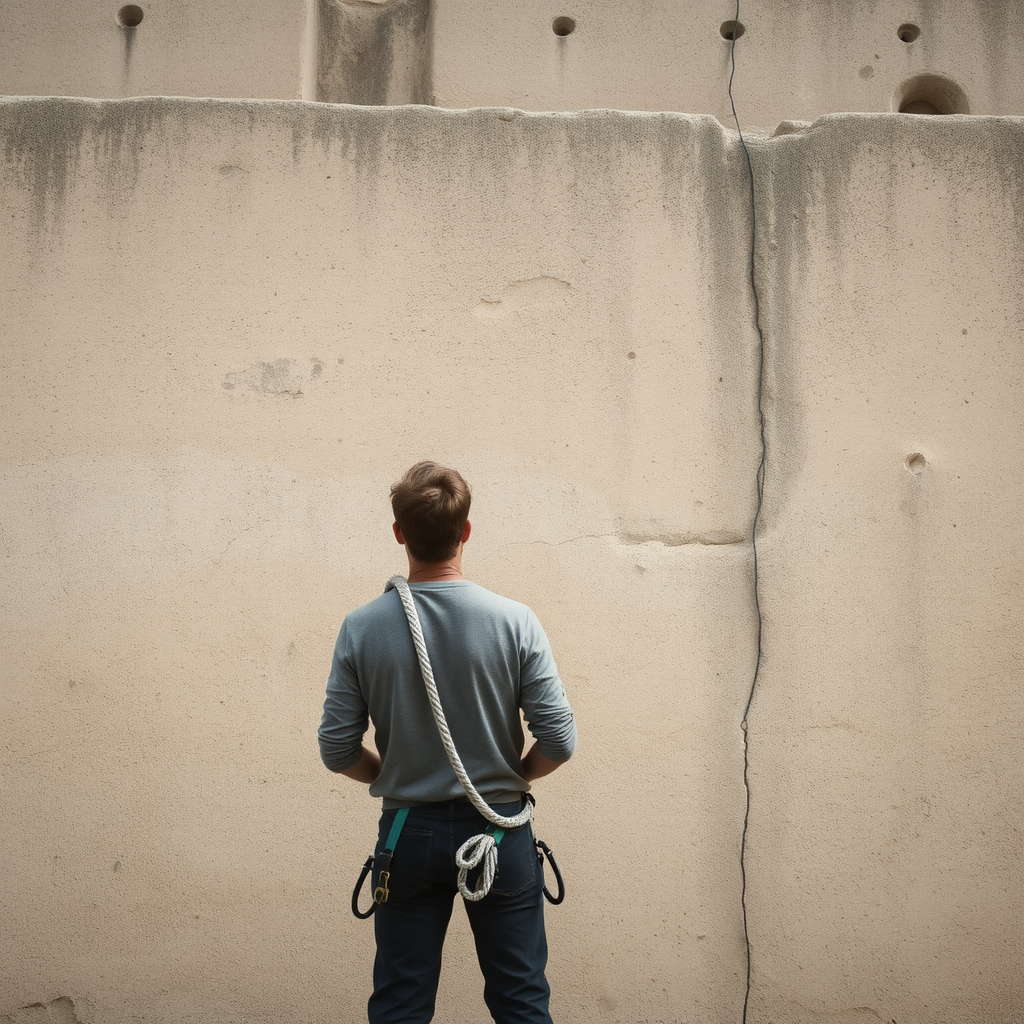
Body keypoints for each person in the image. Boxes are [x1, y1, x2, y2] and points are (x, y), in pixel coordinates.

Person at [318, 460, 577, 1024]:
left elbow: (337, 749)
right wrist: (510, 778)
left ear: (399, 533)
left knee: (401, 1006)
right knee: (521, 1002)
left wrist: (396, 775)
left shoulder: (362, 628)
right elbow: (559, 739)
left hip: (409, 835)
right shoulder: (515, 621)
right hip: (500, 833)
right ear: (465, 530)